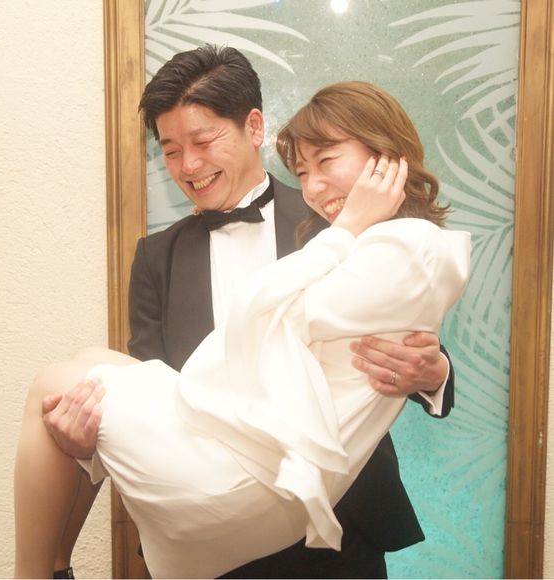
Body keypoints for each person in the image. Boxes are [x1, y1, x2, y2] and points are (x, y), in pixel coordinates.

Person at [29, 46, 458, 578]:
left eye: (203, 141)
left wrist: (435, 374)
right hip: (214, 526)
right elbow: (150, 387)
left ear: (254, 126)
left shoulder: (338, 213)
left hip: (341, 523)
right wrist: (87, 445)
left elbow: (405, 327)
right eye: (170, 151)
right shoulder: (156, 258)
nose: (188, 166)